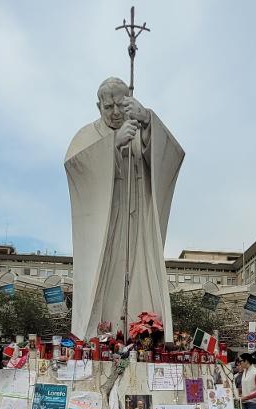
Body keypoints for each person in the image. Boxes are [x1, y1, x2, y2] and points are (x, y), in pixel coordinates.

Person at [65, 77, 185, 341]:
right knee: (106, 275)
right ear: (99, 106)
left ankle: (143, 332)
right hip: (106, 224)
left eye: (121, 104)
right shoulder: (87, 136)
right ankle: (101, 334)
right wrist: (113, 144)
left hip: (138, 221)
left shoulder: (138, 126)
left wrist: (148, 122)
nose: (116, 112)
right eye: (109, 107)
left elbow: (172, 156)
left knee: (141, 270)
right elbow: (76, 168)